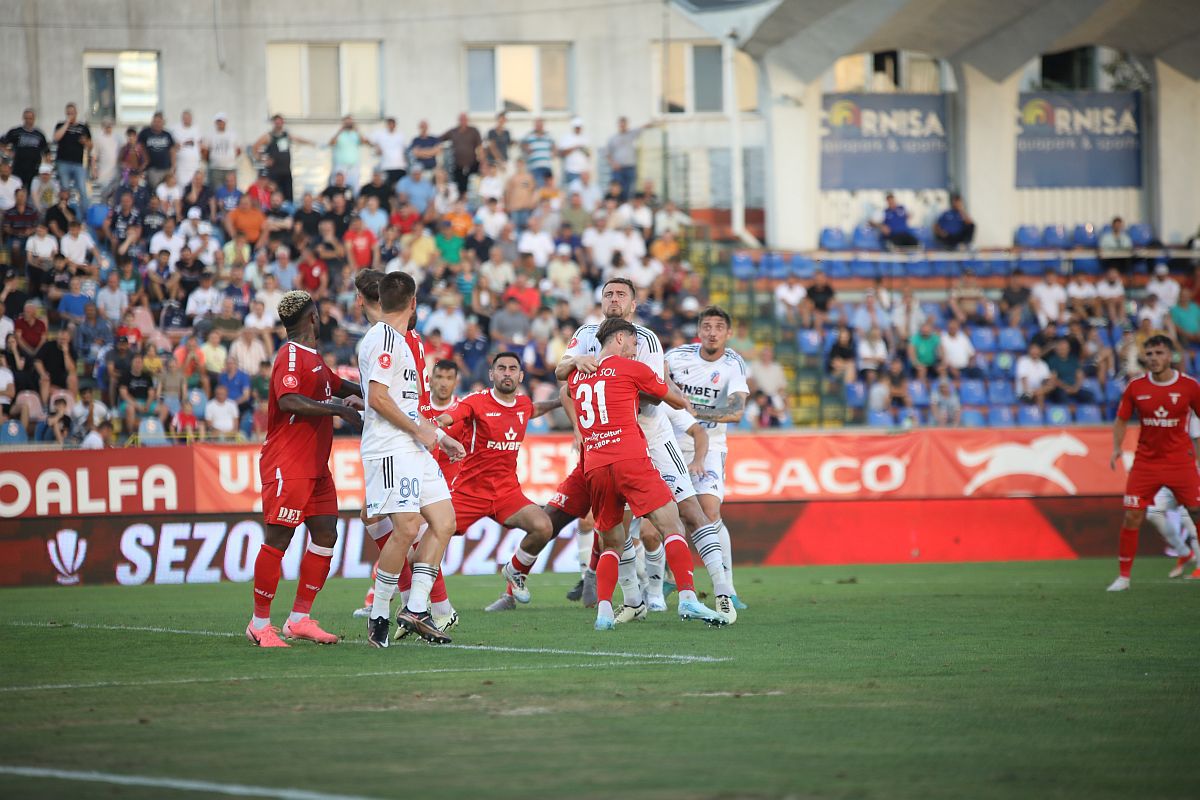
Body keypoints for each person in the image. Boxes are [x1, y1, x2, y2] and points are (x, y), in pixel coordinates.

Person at [564, 317, 725, 630]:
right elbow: (672, 399)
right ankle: (689, 598)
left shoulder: (577, 376)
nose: (636, 349)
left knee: (610, 541)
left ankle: (604, 612)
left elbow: (565, 389)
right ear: (621, 339)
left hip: (595, 464)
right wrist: (677, 393)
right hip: (630, 459)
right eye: (634, 343)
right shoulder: (632, 368)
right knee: (671, 523)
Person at [245, 290, 365, 647]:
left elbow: (340, 385)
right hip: (288, 461)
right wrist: (338, 410)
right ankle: (259, 623)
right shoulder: (291, 355)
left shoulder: (314, 359)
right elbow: (288, 399)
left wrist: (380, 395)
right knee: (279, 538)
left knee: (326, 534)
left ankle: (298, 619)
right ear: (312, 318)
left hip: (315, 464)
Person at [358, 271, 466, 647]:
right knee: (406, 527)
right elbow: (379, 397)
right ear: (414, 303)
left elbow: (405, 404)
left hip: (413, 445)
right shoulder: (385, 338)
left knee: (444, 521)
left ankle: (416, 608)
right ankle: (378, 616)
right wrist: (418, 431)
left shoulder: (403, 339)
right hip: (389, 446)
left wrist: (439, 435)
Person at [440, 352, 560, 611]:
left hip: (506, 493)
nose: (507, 372)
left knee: (543, 527)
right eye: (502, 368)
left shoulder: (523, 404)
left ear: (521, 376)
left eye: (513, 368)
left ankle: (515, 570)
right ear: (491, 374)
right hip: (469, 492)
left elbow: (533, 409)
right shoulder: (476, 402)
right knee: (430, 543)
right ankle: (400, 596)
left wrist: (558, 402)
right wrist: (437, 432)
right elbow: (446, 418)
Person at [664, 306, 750, 612]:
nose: (712, 332)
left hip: (710, 444)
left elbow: (737, 412)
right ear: (699, 331)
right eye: (707, 326)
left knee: (709, 510)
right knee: (665, 513)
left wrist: (690, 410)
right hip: (671, 440)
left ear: (728, 333)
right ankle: (662, 578)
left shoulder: (734, 365)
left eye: (718, 327)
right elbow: (658, 378)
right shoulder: (677, 356)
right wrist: (672, 394)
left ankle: (726, 587)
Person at [1107, 335, 1200, 591]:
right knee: (1132, 517)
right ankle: (1124, 577)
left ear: (1170, 356)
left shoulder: (1189, 386)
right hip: (1146, 463)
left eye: (1159, 353)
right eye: (1149, 354)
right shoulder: (1136, 387)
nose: (1154, 358)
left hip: (1181, 462)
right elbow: (1122, 419)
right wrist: (1116, 447)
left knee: (1196, 512)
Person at [253, 115, 313, 203]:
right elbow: (255, 147)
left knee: (288, 195)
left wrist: (310, 142)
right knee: (274, 195)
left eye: (280, 122)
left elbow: (297, 139)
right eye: (277, 123)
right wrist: (262, 159)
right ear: (274, 123)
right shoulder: (268, 136)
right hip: (274, 173)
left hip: (286, 171)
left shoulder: (286, 135)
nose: (278, 125)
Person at [52, 102, 91, 210]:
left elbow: (90, 145)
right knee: (64, 189)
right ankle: (65, 211)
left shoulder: (83, 127)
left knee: (82, 190)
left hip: (78, 163)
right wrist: (67, 123)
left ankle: (85, 214)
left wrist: (85, 142)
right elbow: (56, 138)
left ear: (76, 113)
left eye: (72, 113)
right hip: (63, 162)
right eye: (68, 113)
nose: (70, 114)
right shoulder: (60, 125)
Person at [605, 117, 654, 200]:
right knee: (616, 189)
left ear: (627, 125)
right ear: (619, 125)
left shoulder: (631, 134)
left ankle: (626, 204)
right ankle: (616, 204)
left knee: (629, 189)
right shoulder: (613, 138)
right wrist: (613, 164)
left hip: (630, 167)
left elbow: (642, 127)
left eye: (624, 124)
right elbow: (607, 154)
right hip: (618, 169)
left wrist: (652, 121)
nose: (623, 126)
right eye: (621, 124)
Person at [2, 108, 49, 191]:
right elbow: (2, 142)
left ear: (34, 119)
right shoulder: (16, 132)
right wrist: (8, 152)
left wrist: (46, 165)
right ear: (23, 118)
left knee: (32, 190)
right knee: (18, 189)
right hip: (18, 167)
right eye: (26, 118)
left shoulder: (39, 134)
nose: (28, 121)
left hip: (34, 168)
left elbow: (46, 151)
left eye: (30, 118)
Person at [137, 112, 176, 189]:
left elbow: (172, 151)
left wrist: (173, 166)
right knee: (155, 189)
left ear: (163, 123)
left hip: (166, 168)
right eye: (155, 121)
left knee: (165, 189)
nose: (157, 124)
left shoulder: (167, 134)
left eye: (159, 122)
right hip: (152, 168)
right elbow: (139, 147)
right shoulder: (145, 133)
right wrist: (144, 162)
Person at [203, 113, 241, 189]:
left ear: (225, 122)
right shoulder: (210, 135)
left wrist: (230, 158)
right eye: (218, 121)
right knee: (216, 190)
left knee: (231, 190)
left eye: (222, 121)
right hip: (215, 169)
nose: (220, 123)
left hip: (230, 168)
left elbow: (238, 150)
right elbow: (205, 151)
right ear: (216, 123)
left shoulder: (233, 134)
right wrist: (212, 160)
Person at [370, 117, 408, 188]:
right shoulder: (380, 134)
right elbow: (369, 140)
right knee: (387, 187)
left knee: (400, 188)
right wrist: (376, 146)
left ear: (395, 125)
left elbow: (405, 150)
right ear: (387, 125)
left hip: (400, 167)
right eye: (389, 124)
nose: (391, 126)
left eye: (392, 124)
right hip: (386, 167)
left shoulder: (401, 135)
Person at [329, 115, 364, 193]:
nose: (348, 124)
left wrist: (357, 130)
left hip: (353, 166)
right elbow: (331, 143)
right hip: (341, 165)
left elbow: (363, 141)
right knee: (337, 185)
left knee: (354, 186)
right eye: (346, 122)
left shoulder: (355, 134)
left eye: (350, 122)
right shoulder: (339, 133)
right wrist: (340, 131)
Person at [521, 118, 555, 187]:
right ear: (535, 126)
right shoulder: (530, 136)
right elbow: (522, 144)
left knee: (548, 187)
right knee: (539, 186)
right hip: (535, 166)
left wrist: (553, 152)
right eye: (537, 125)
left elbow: (554, 145)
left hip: (547, 166)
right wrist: (526, 149)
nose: (539, 126)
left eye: (540, 125)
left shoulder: (548, 136)